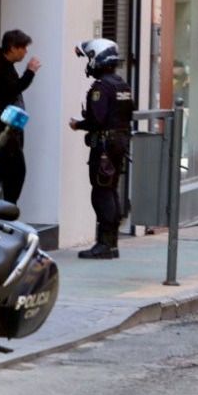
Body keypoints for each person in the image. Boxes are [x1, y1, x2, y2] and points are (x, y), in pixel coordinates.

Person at [71, 38, 134, 260]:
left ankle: (104, 245)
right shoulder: (122, 85)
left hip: (105, 147)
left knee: (101, 192)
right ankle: (112, 243)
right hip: (119, 144)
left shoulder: (101, 88)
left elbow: (97, 120)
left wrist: (78, 124)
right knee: (111, 190)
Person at [0, 29, 40, 204]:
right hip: (6, 131)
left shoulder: (6, 65)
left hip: (12, 130)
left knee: (15, 172)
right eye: (23, 48)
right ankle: (8, 209)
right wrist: (30, 72)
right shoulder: (2, 67)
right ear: (12, 48)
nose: (26, 52)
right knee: (16, 172)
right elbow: (13, 88)